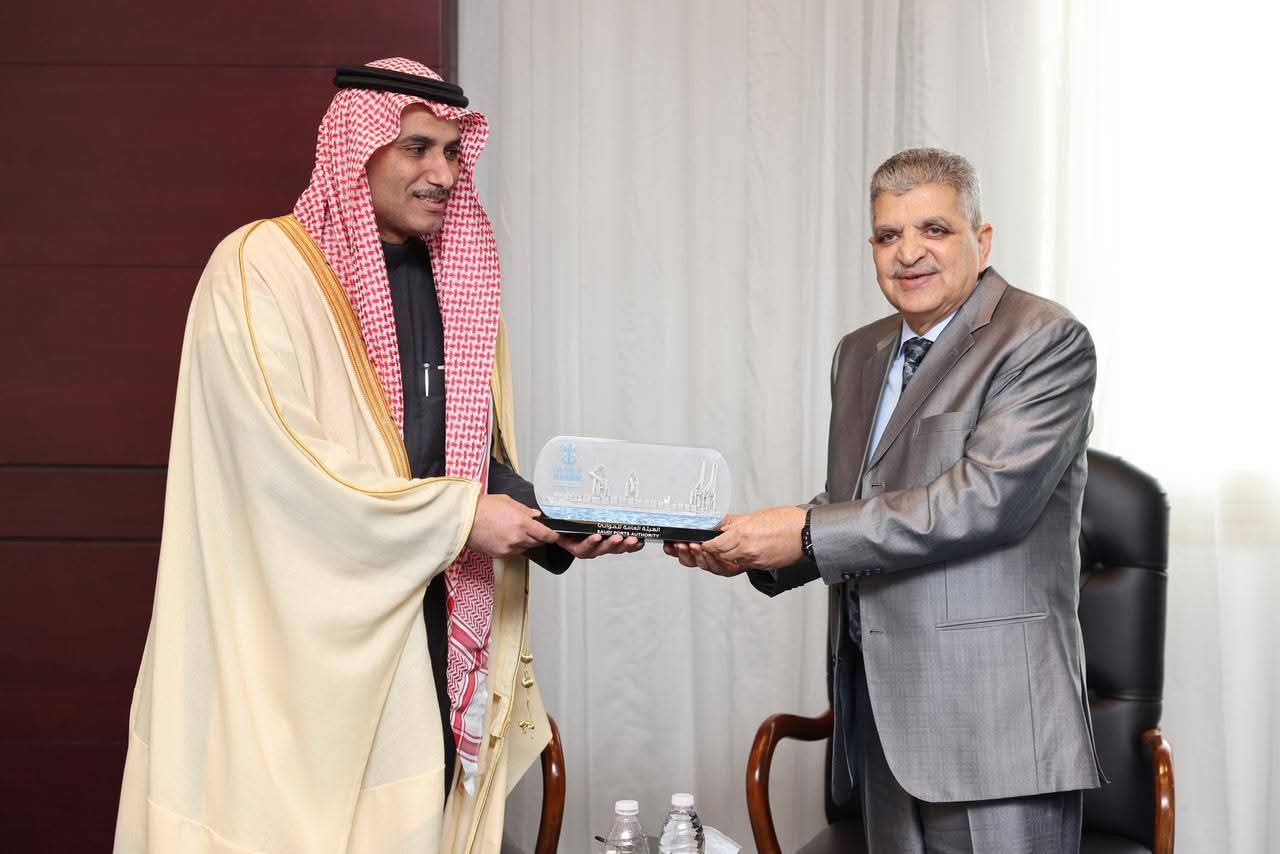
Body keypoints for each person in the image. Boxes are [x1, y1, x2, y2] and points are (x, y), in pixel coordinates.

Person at [114, 58, 640, 854]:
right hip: (289, 649)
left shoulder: (450, 281)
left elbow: (461, 460)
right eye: (416, 148)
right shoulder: (259, 270)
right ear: (355, 151)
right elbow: (282, 473)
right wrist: (464, 516)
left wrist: (556, 522)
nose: (444, 174)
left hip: (428, 623)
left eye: (453, 152)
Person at [668, 148, 1100, 853]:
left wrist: (804, 533)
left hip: (996, 724)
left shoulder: (1042, 338)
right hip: (882, 720)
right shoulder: (860, 352)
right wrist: (751, 547)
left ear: (982, 239)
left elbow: (983, 502)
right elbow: (854, 501)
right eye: (888, 235)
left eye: (935, 229)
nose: (909, 253)